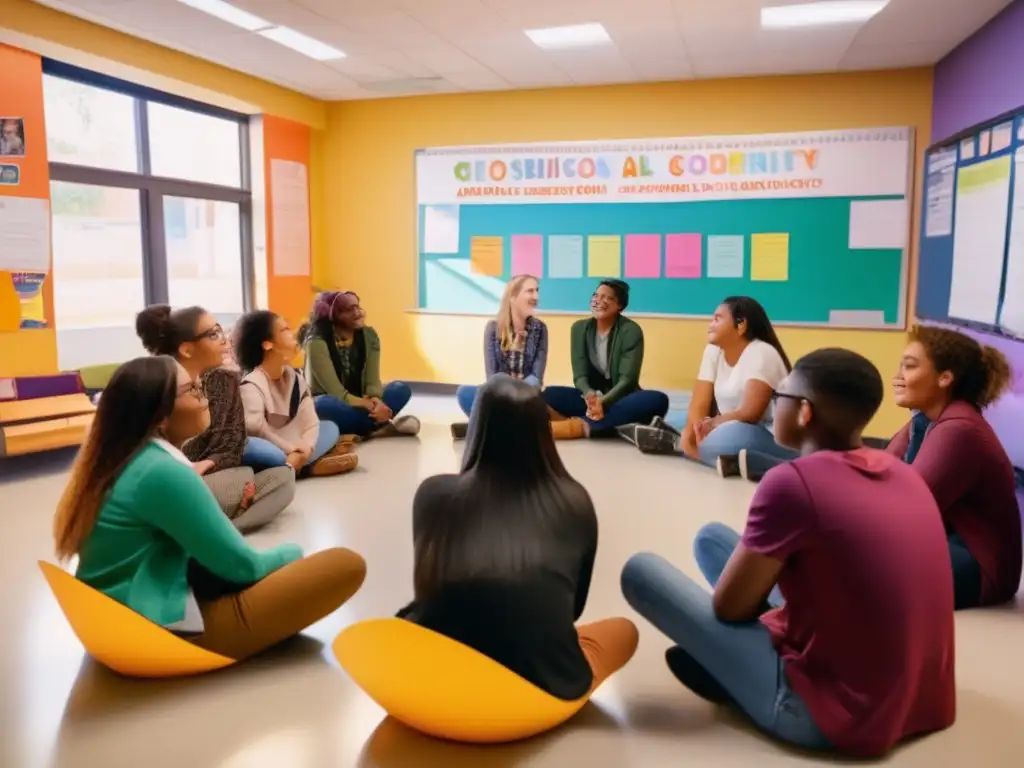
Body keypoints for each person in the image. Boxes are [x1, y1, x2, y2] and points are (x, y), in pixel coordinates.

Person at [621, 349, 955, 758]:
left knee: (640, 573)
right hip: (924, 702)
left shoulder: (791, 482)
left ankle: (734, 670)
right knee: (712, 539)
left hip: (832, 717)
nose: (772, 407)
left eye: (779, 398)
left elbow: (729, 609)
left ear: (804, 413)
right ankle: (738, 660)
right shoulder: (901, 471)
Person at [53, 356, 367, 660]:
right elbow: (244, 567)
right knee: (344, 564)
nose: (204, 397)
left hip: (118, 613)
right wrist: (291, 554)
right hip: (149, 626)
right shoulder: (161, 472)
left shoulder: (127, 457)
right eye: (192, 390)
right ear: (160, 416)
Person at [400, 375, 639, 702]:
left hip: (443, 674)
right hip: (538, 688)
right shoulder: (574, 501)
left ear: (477, 428)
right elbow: (574, 609)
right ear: (543, 432)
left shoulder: (432, 494)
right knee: (623, 632)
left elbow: (427, 587)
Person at [887, 325, 1021, 609]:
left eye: (909, 367)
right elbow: (877, 474)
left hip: (978, 564)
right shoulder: (923, 420)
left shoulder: (960, 429)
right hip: (943, 541)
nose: (897, 377)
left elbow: (905, 509)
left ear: (945, 378)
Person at [136, 304, 295, 533]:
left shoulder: (225, 378)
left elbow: (232, 440)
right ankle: (211, 524)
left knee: (282, 477)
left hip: (207, 470)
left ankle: (223, 529)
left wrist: (205, 465)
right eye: (213, 334)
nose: (224, 340)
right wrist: (186, 469)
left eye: (221, 330)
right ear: (187, 349)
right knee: (248, 472)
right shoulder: (161, 383)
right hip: (171, 479)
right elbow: (151, 453)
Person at [627, 297, 796, 478]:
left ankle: (687, 448)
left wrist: (710, 426)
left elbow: (749, 414)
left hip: (764, 433)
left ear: (741, 325)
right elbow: (700, 400)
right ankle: (721, 457)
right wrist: (694, 431)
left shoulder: (762, 352)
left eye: (717, 318)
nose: (711, 324)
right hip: (725, 426)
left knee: (734, 434)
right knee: (689, 422)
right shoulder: (713, 351)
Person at [235, 310, 358, 477]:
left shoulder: (296, 378)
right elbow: (256, 428)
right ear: (267, 344)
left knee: (329, 428)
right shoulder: (251, 384)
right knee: (261, 451)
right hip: (271, 445)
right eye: (285, 330)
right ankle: (307, 465)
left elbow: (311, 422)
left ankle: (297, 466)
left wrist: (305, 448)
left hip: (295, 442)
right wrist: (291, 448)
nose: (293, 334)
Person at [542, 280, 669, 439]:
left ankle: (579, 427)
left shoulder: (631, 331)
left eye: (607, 298)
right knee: (549, 394)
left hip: (621, 399)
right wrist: (590, 396)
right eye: (596, 295)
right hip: (591, 401)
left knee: (658, 400)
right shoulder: (579, 329)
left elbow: (627, 381)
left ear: (620, 306)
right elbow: (580, 376)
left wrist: (603, 402)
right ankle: (613, 425)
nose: (598, 301)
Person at [299, 291, 419, 439]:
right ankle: (379, 425)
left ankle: (363, 428)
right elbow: (335, 392)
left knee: (400, 389)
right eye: (349, 310)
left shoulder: (369, 335)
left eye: (357, 306)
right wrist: (369, 405)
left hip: (362, 401)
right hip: (337, 402)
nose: (358, 313)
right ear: (332, 316)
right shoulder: (316, 343)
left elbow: (372, 379)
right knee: (324, 404)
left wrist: (376, 400)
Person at [451, 275, 548, 439]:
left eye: (537, 291)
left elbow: (536, 377)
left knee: (545, 398)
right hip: (500, 395)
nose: (536, 297)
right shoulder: (493, 328)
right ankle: (509, 427)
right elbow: (492, 377)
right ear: (513, 297)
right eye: (530, 291)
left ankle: (482, 428)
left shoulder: (540, 329)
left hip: (526, 395)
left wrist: (518, 394)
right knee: (465, 393)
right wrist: (507, 395)